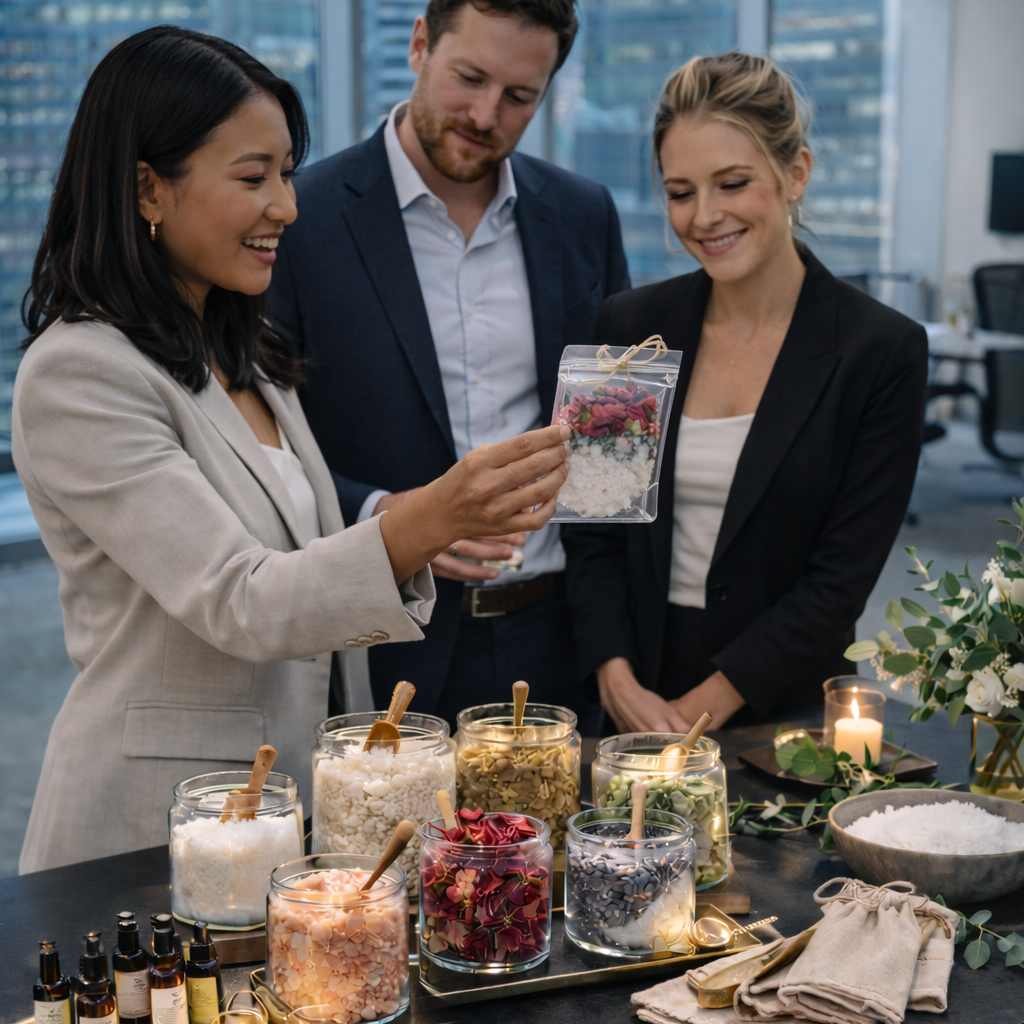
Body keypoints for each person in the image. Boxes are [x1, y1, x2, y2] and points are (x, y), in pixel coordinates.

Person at [12, 26, 569, 872]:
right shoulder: (79, 371)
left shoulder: (241, 351)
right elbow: (244, 597)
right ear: (147, 189)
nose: (287, 206)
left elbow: (305, 557)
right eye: (253, 177)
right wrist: (435, 513)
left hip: (292, 813)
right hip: (156, 829)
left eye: (284, 172)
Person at [268, 0, 629, 732]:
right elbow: (258, 448)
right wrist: (387, 514)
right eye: (469, 77)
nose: (486, 113)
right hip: (385, 630)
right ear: (419, 44)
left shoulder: (584, 212)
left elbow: (613, 442)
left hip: (557, 633)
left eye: (519, 96)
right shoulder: (298, 217)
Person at [563, 53, 928, 734]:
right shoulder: (630, 326)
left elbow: (839, 578)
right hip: (631, 698)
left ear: (797, 173)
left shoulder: (881, 351)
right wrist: (613, 675)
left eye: (732, 183)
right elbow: (595, 529)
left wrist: (698, 711)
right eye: (680, 192)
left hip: (782, 715)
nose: (705, 216)